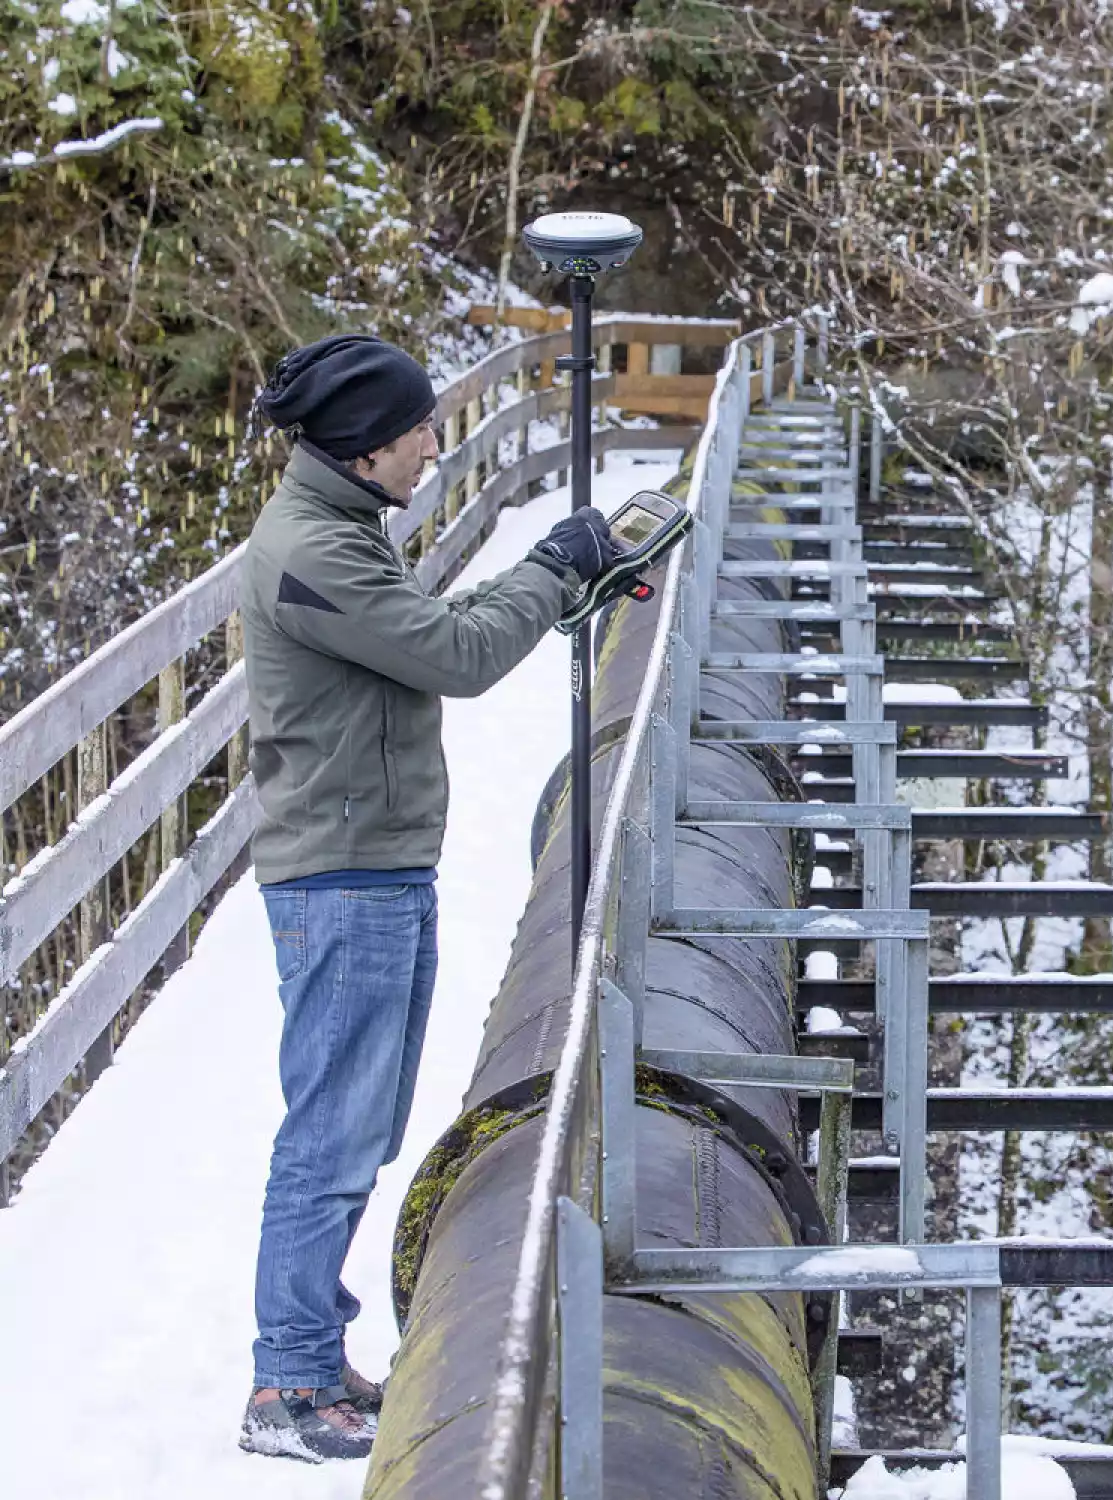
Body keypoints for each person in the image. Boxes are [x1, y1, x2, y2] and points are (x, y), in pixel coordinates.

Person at [236, 334, 618, 1462]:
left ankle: (312, 1354)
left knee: (361, 1128)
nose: (433, 451)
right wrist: (553, 569)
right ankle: (288, 1389)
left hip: (376, 862)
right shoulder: (316, 552)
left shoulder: (343, 530)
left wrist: (555, 572)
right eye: (418, 434)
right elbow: (455, 653)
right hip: (344, 875)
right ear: (364, 451)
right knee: (330, 1137)